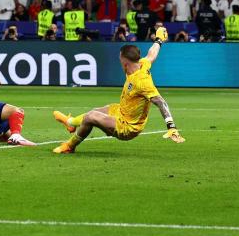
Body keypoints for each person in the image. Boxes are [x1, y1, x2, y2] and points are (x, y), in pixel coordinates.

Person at [52, 27, 184, 154]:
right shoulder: (142, 64)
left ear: (125, 62)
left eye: (121, 60)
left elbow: (160, 101)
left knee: (91, 117)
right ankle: (70, 123)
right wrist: (159, 40)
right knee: (95, 111)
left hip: (128, 127)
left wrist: (171, 126)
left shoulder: (142, 81)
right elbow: (151, 54)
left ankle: (69, 146)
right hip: (121, 111)